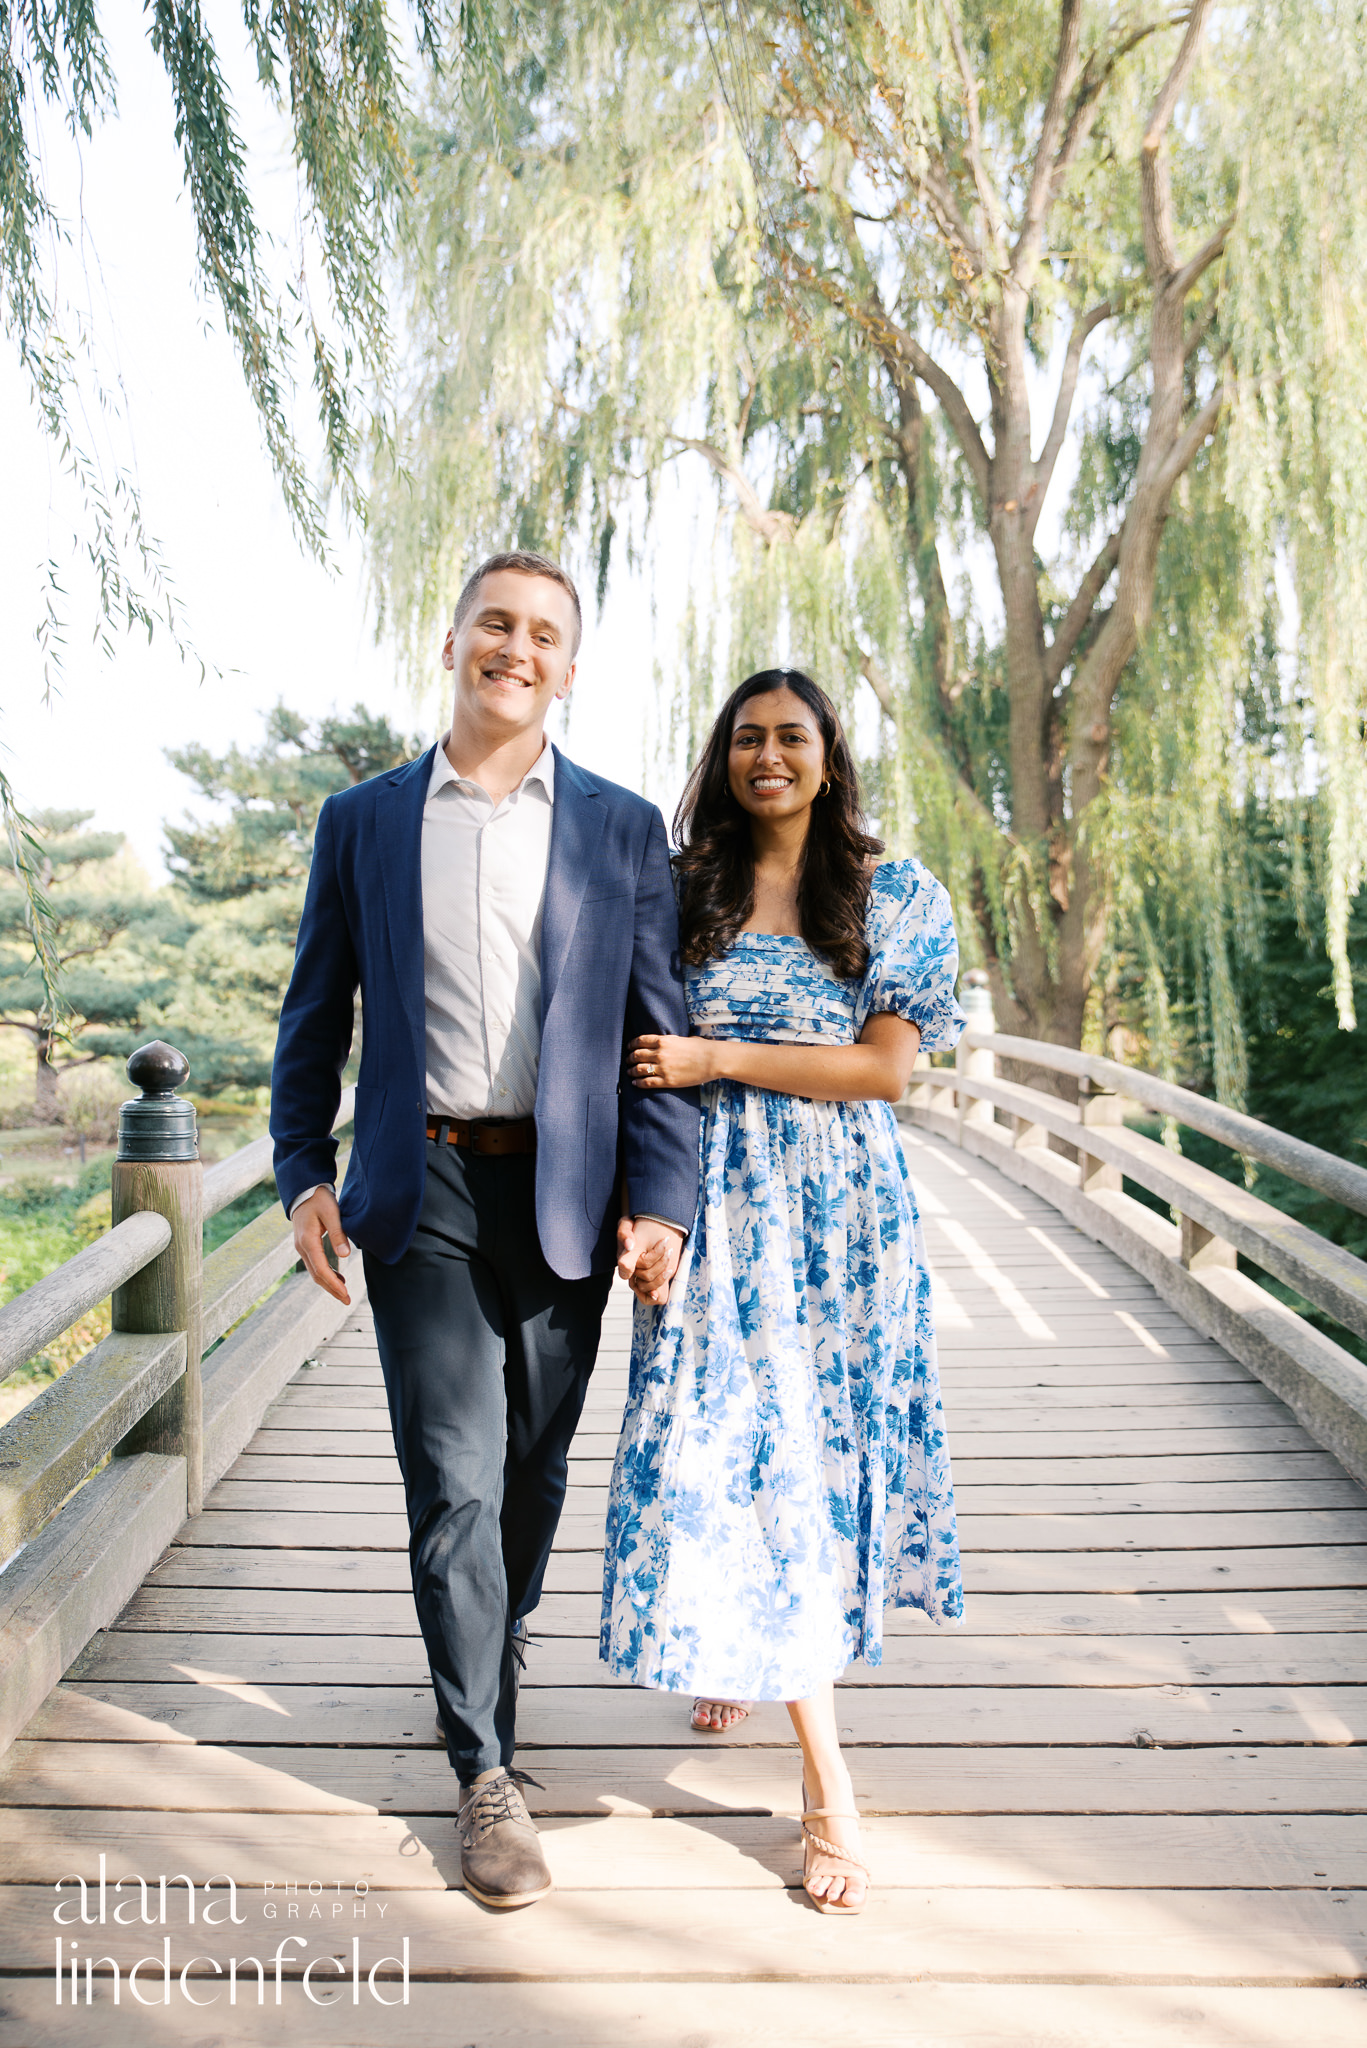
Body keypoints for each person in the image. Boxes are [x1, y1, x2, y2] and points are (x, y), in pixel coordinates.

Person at [271, 551, 700, 1911]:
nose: (515, 650)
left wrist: (664, 1201)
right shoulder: (364, 820)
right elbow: (314, 1018)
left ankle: (488, 1644)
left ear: (567, 667)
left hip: (565, 1198)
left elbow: (658, 1032)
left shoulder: (622, 830)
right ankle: (484, 1776)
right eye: (494, 626)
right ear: (450, 638)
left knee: (531, 1471)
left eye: (544, 636)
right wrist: (299, 1174)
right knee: (452, 1475)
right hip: (425, 1187)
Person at [600, 667, 965, 1916]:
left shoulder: (890, 891)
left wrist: (717, 1055)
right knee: (727, 1453)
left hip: (838, 1223)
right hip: (714, 1211)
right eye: (746, 736)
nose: (768, 754)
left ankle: (818, 1776)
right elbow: (629, 1050)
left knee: (800, 1465)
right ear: (721, 755)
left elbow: (882, 1073)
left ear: (826, 755)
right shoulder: (680, 887)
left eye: (790, 736)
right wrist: (640, 1206)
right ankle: (765, 1686)